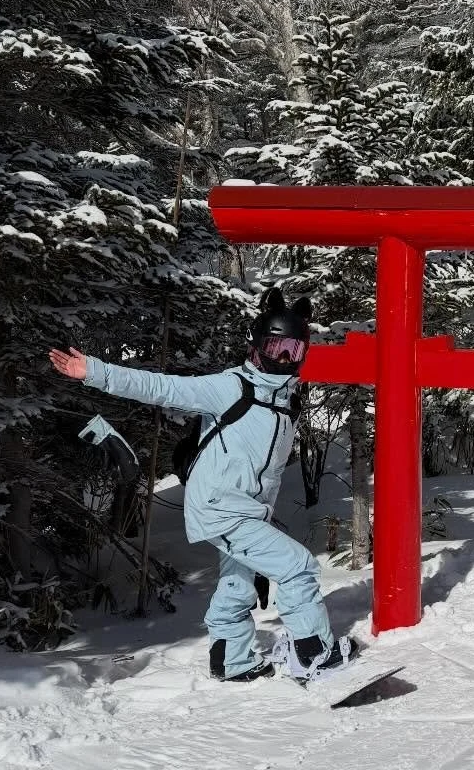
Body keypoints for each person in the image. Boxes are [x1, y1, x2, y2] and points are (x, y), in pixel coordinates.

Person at [49, 288, 353, 683]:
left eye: (292, 351)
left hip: (247, 511)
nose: (282, 358)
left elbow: (269, 472)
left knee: (238, 583)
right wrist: (94, 371)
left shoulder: (286, 402)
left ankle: (231, 661)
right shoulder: (229, 387)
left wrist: (264, 515)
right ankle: (314, 655)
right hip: (219, 507)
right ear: (258, 346)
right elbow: (162, 387)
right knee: (297, 567)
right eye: (275, 347)